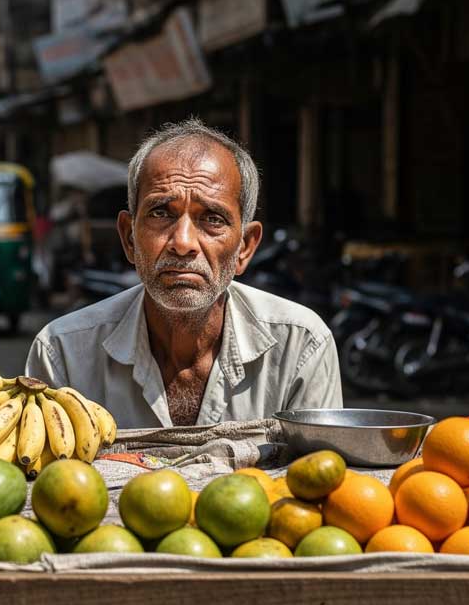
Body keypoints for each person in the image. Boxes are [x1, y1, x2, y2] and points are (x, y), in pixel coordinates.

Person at [25, 118, 343, 426]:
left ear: (245, 247)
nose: (183, 243)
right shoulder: (64, 353)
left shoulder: (300, 345)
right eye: (161, 213)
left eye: (212, 219)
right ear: (129, 237)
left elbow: (318, 476)